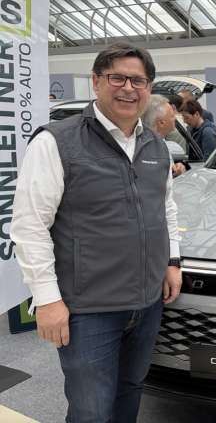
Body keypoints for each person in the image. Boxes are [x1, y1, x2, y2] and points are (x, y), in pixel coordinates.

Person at [10, 42, 182, 423]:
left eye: (138, 80)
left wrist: (172, 260)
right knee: (91, 411)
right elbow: (29, 225)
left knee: (129, 394)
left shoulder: (157, 147)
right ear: (96, 81)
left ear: (149, 88)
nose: (128, 88)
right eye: (117, 78)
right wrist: (47, 299)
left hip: (146, 303)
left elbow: (165, 208)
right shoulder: (57, 142)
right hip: (88, 310)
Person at [143, 94, 187, 177]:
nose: (175, 118)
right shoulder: (147, 149)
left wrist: (175, 171)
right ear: (161, 123)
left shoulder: (160, 143)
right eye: (172, 116)